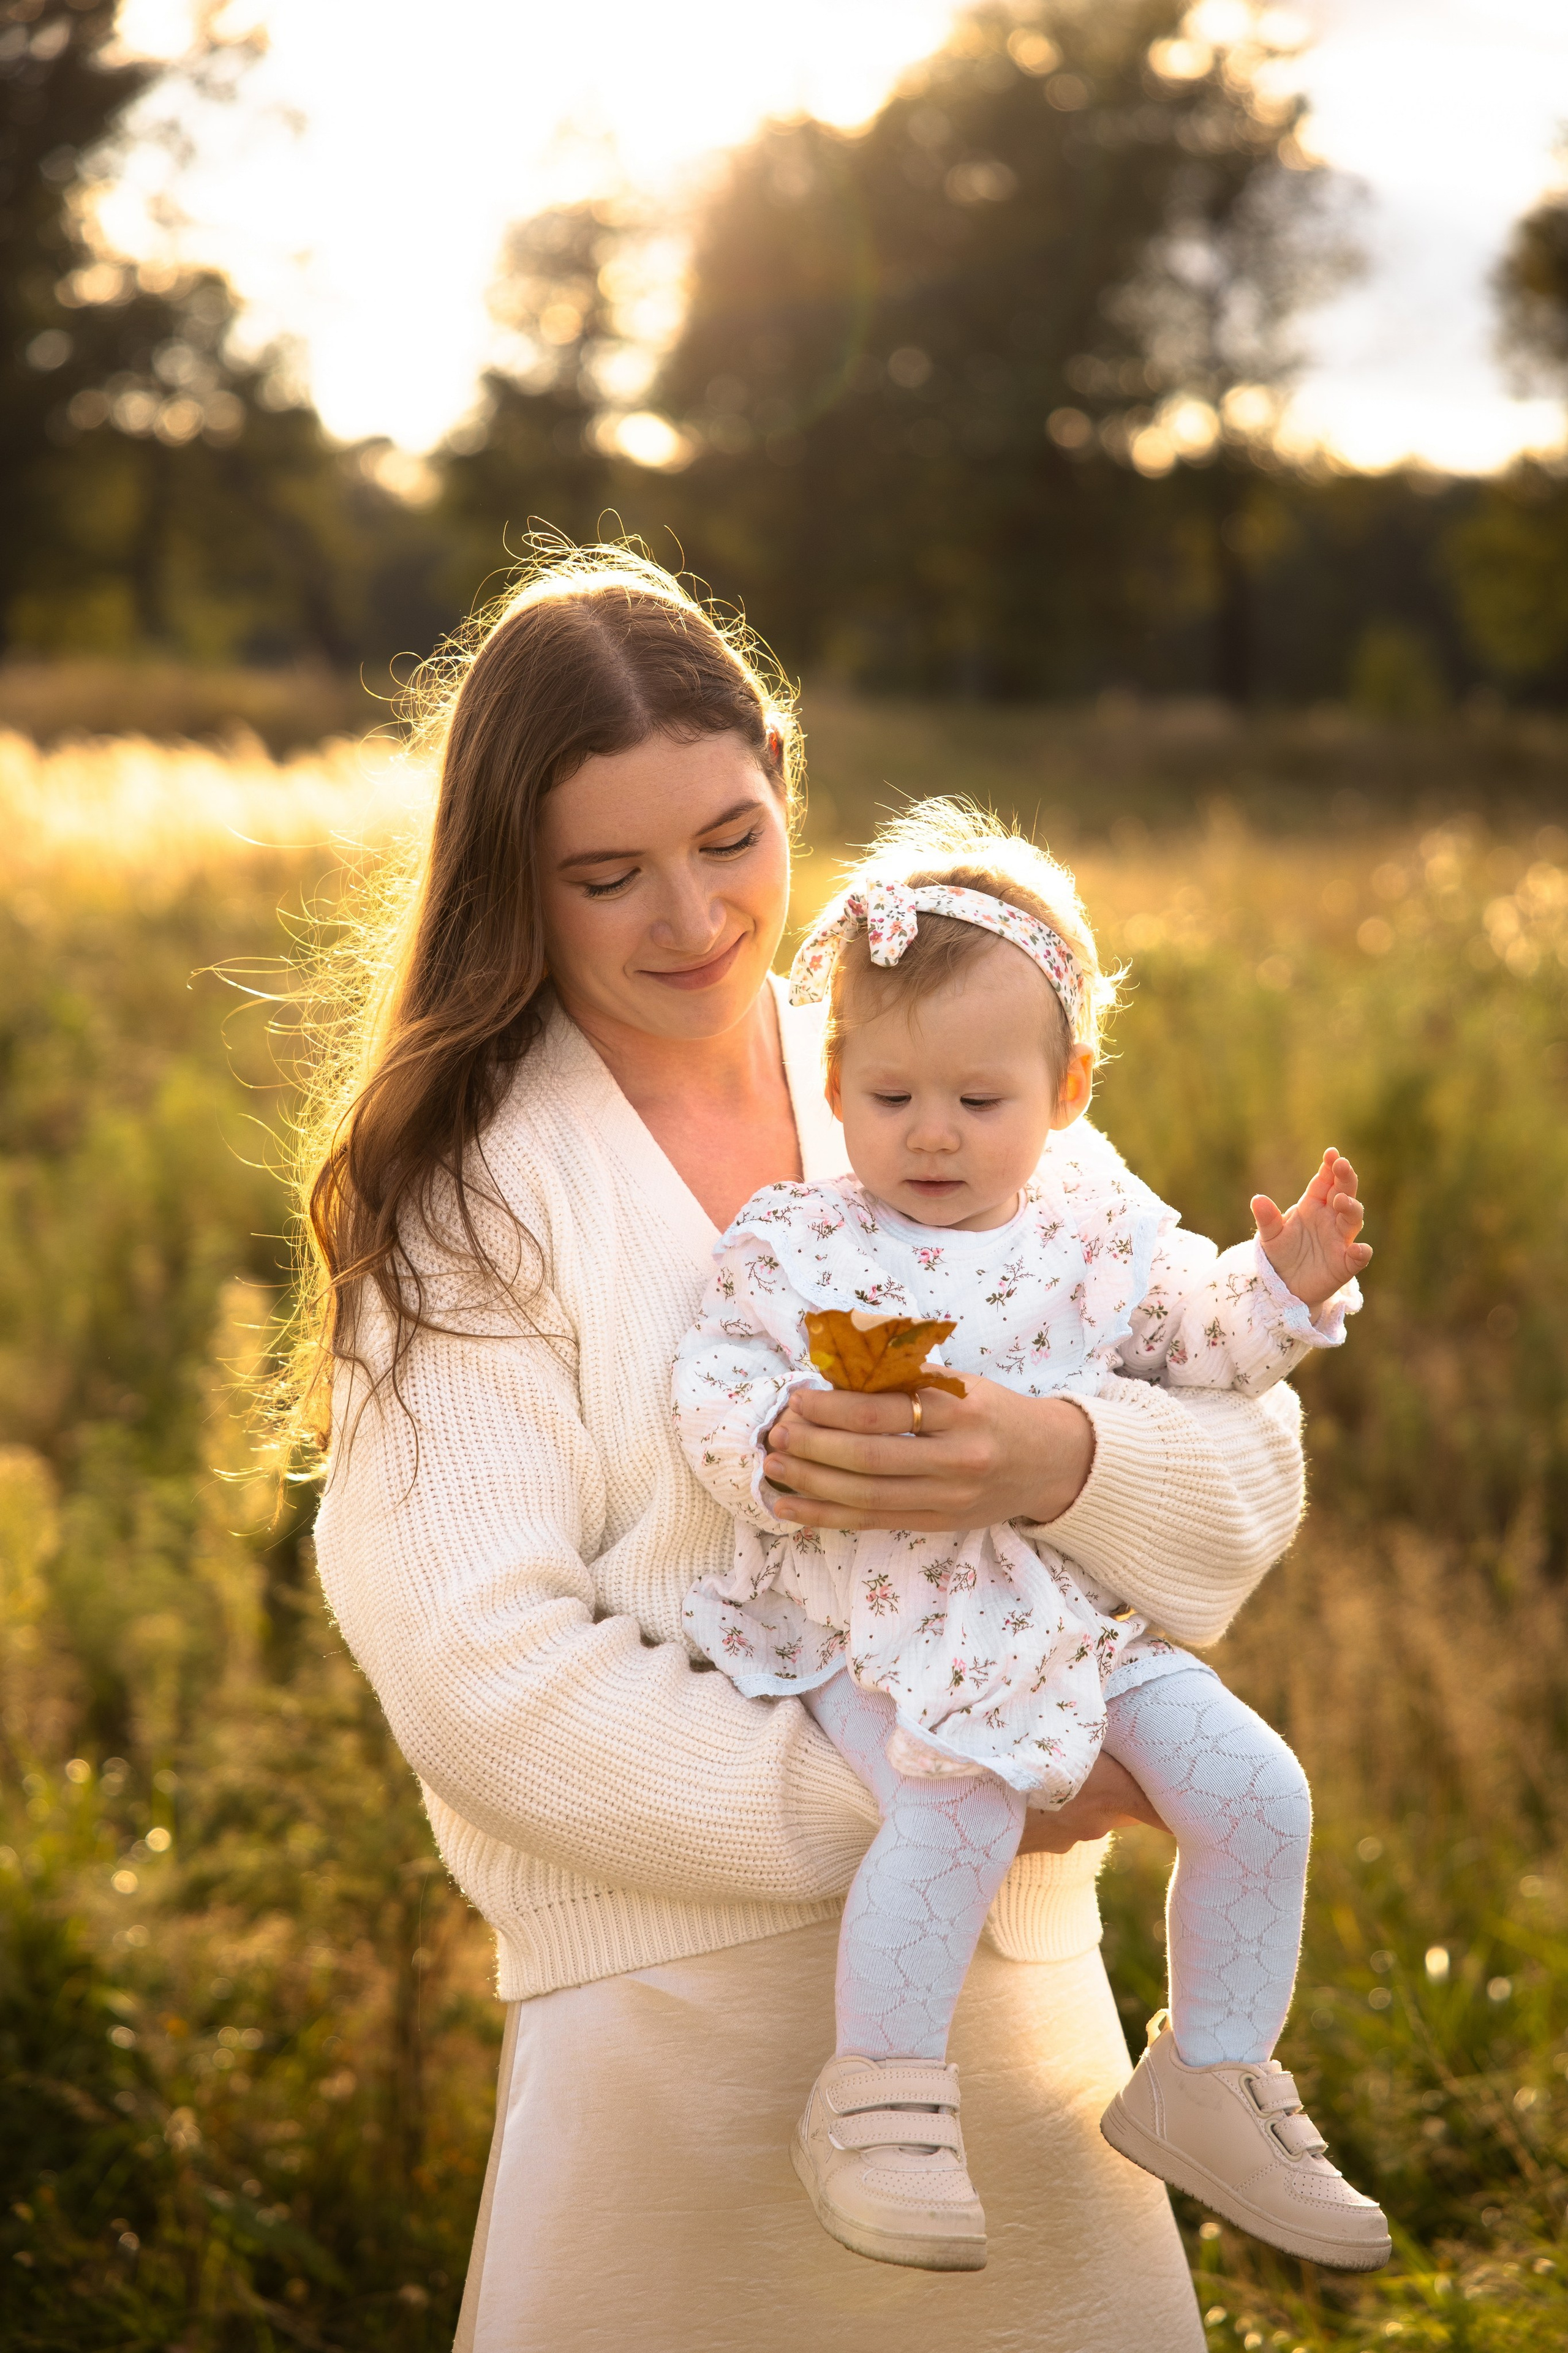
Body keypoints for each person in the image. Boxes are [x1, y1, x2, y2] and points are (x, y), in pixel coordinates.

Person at [304, 542, 1318, 2353]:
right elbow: (477, 1669)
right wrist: (951, 1780)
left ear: (786, 775)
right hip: (671, 2049)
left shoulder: (920, 1061)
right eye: (607, 876)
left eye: (731, 839)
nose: (694, 918)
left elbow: (1250, 1464)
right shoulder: (471, 1202)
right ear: (509, 887)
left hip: (1025, 2035)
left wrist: (1061, 1457)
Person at [674, 804, 1390, 2276]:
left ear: (1064, 1091)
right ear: (836, 1082)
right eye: (889, 1096)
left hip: (1076, 1617)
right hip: (888, 1617)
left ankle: (1212, 2071)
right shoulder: (798, 1240)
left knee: (1258, 1792)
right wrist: (770, 1446)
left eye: (977, 1100)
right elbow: (713, 1379)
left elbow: (1197, 1349)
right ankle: (875, 2095)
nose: (929, 1133)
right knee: (956, 1811)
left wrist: (1277, 1284)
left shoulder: (1095, 1230)